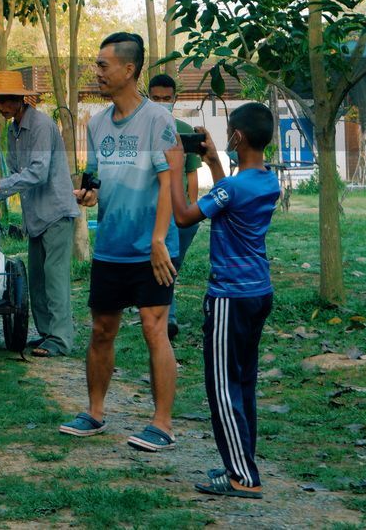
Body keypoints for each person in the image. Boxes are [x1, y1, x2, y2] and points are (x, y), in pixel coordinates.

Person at [59, 33, 181, 452]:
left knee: (154, 327)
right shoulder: (95, 123)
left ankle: (161, 424)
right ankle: (94, 412)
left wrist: (160, 239)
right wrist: (87, 193)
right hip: (111, 244)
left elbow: (168, 184)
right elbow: (93, 177)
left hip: (153, 247)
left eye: (103, 65)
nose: (97, 73)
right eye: (97, 65)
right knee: (101, 329)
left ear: (129, 70)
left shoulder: (157, 120)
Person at [165, 103, 279, 499]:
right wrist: (214, 162)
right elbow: (228, 199)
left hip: (229, 296)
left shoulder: (234, 188)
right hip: (257, 292)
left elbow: (183, 217)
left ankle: (242, 478)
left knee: (221, 386)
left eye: (230, 132)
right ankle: (242, 464)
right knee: (243, 382)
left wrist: (175, 170)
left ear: (238, 137)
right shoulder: (266, 181)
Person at [0, 72, 80, 357]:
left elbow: (38, 172)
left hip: (56, 211)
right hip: (35, 216)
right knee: (37, 280)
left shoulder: (42, 125)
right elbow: (17, 174)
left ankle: (60, 339)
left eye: (8, 99)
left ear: (21, 99)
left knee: (54, 278)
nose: (3, 105)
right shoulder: (13, 130)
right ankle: (47, 335)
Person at [147, 73, 202, 340]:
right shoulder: (139, 130)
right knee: (163, 263)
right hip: (151, 208)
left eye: (166, 99)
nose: (161, 103)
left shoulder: (184, 130)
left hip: (180, 210)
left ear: (175, 99)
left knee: (171, 264)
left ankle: (165, 315)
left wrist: (189, 213)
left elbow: (191, 175)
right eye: (156, 98)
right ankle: (166, 317)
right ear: (148, 96)